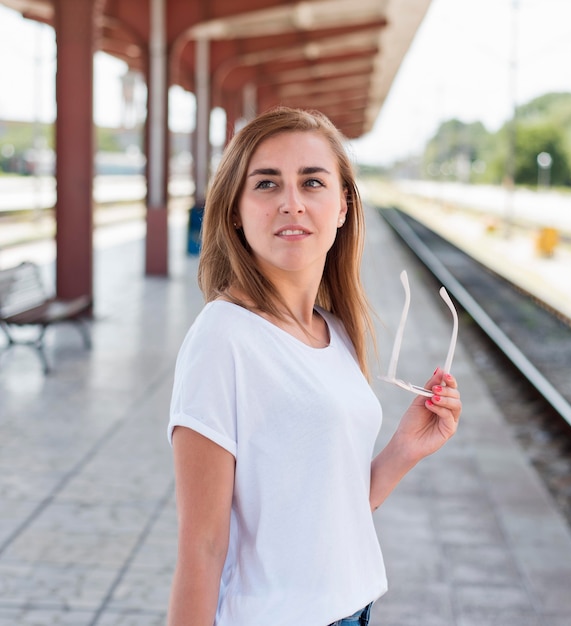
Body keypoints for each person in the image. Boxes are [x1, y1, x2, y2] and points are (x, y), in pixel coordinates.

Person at [167, 106, 462, 626]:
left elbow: (325, 512)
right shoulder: (223, 338)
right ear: (235, 210)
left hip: (354, 609)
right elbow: (203, 546)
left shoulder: (335, 329)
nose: (292, 204)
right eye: (266, 184)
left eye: (312, 182)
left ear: (344, 206)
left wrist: (403, 450)